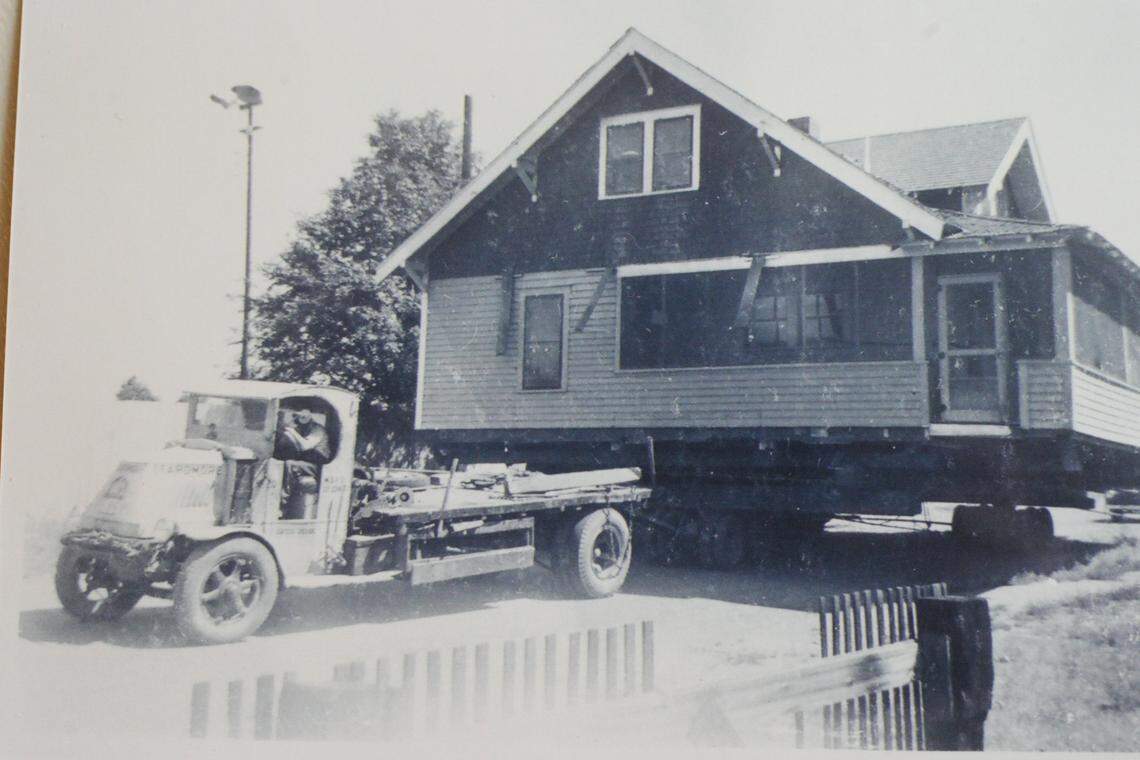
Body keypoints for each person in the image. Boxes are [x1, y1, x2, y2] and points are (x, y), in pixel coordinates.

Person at [276, 408, 332, 517]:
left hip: (319, 466)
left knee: (290, 464)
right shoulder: (300, 429)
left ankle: (283, 504)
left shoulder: (318, 430)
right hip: (307, 462)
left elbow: (305, 446)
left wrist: (292, 431)